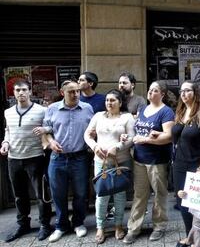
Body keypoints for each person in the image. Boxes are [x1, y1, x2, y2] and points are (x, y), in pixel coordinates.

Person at [123, 81, 175, 244]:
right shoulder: (143, 109)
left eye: (155, 90)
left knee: (160, 194)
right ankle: (134, 228)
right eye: (150, 90)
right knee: (139, 195)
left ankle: (159, 226)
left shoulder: (166, 112)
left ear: (162, 94)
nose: (151, 92)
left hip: (157, 161)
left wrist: (146, 139)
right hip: (139, 159)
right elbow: (138, 130)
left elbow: (168, 136)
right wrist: (128, 137)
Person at [0, 80, 52, 242]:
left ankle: (45, 225)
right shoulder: (8, 112)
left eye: (23, 90)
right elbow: (8, 131)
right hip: (14, 159)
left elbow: (51, 127)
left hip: (36, 158)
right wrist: (5, 143)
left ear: (30, 92)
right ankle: (23, 225)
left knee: (41, 194)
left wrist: (45, 129)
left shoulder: (42, 111)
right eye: (17, 90)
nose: (20, 93)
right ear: (13, 93)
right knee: (19, 195)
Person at [43, 80, 94, 242]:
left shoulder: (87, 108)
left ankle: (78, 223)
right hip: (57, 158)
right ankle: (61, 225)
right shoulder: (52, 109)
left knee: (80, 193)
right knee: (58, 194)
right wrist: (51, 142)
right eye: (71, 91)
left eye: (77, 91)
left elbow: (92, 131)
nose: (75, 94)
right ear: (62, 92)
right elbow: (47, 130)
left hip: (80, 157)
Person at [84, 89, 135, 244]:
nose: (109, 103)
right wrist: (95, 147)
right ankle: (100, 226)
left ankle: (118, 225)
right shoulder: (98, 116)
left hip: (121, 161)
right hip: (101, 162)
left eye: (113, 100)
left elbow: (131, 138)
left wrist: (118, 147)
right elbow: (87, 135)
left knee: (120, 195)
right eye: (107, 100)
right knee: (102, 195)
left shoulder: (126, 117)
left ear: (120, 102)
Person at [172, 81, 200, 246]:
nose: (183, 94)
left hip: (197, 166)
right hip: (179, 165)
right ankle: (190, 236)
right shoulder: (181, 111)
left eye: (187, 91)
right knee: (182, 204)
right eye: (181, 91)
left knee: (197, 206)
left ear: (196, 92)